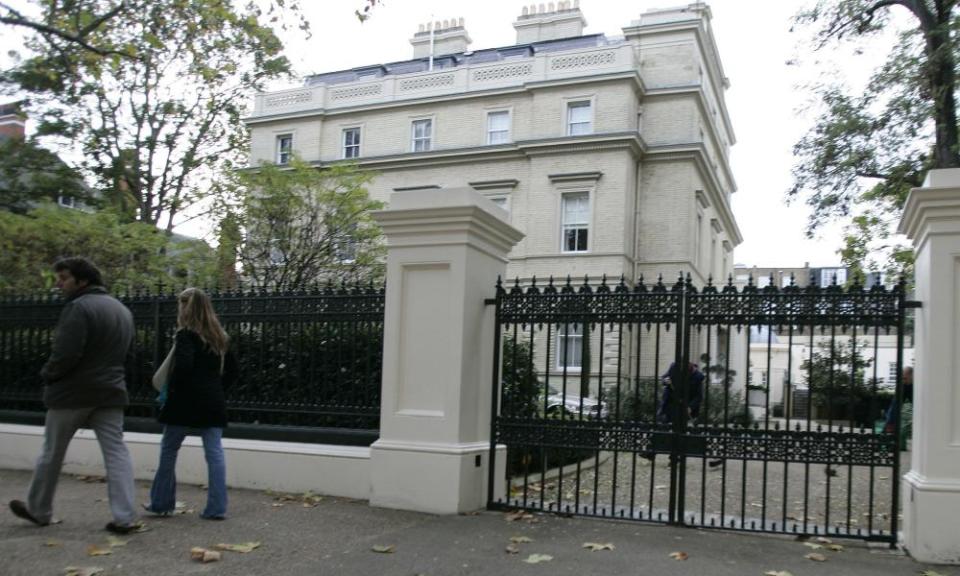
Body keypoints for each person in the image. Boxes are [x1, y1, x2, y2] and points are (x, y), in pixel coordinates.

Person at [8, 257, 141, 534]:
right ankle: (125, 516)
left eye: (64, 278)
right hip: (111, 391)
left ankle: (39, 510)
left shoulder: (78, 308)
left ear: (83, 281)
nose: (59, 283)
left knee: (52, 452)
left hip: (72, 393)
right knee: (116, 453)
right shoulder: (122, 310)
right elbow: (127, 355)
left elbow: (66, 354)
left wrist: (48, 374)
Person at [143, 287, 237, 520]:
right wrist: (216, 389)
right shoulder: (221, 337)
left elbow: (183, 367)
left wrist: (172, 391)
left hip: (183, 403)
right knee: (214, 454)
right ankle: (217, 508)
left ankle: (161, 503)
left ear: (186, 307)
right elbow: (233, 372)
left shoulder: (185, 334)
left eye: (180, 305)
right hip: (212, 401)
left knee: (169, 451)